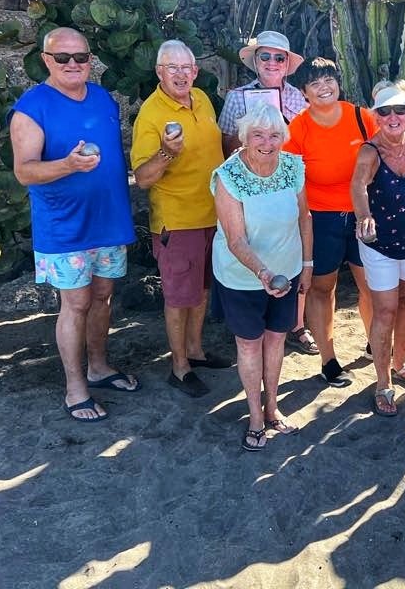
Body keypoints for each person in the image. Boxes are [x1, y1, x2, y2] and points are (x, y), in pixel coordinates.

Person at [8, 27, 138, 422]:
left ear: (90, 59)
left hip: (108, 219)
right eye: (62, 58)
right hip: (63, 226)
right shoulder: (32, 108)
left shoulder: (102, 98)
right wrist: (67, 165)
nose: (72, 65)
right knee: (76, 302)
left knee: (102, 297)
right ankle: (75, 388)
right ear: (46, 60)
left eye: (80, 57)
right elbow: (24, 172)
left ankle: (98, 367)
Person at [211, 104, 313, 451]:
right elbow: (236, 239)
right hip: (242, 276)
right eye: (258, 135)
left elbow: (305, 218)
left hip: (287, 269)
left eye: (274, 135)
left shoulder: (292, 166)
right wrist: (263, 272)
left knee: (276, 340)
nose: (267, 143)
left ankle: (273, 408)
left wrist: (308, 265)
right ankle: (255, 416)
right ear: (244, 138)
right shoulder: (228, 176)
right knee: (250, 343)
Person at [131, 40, 229, 398]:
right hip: (177, 219)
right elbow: (142, 177)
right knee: (178, 296)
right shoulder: (151, 113)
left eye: (187, 68)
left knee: (201, 289)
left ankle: (195, 351)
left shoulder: (202, 99)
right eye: (172, 68)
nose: (181, 74)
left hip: (212, 214)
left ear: (195, 71)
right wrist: (166, 153)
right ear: (159, 72)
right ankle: (179, 367)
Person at [217, 30, 315, 354]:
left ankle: (296, 326)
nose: (272, 63)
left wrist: (283, 131)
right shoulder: (237, 98)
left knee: (293, 244)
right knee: (249, 242)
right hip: (252, 188)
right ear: (255, 62)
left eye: (279, 57)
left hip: (289, 182)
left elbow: (304, 144)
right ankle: (254, 326)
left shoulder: (298, 99)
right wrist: (256, 138)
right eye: (266, 56)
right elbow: (227, 146)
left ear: (287, 64)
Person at [284, 57, 378, 387]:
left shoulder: (362, 117)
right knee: (322, 289)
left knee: (371, 285)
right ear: (304, 91)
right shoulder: (299, 127)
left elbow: (386, 154)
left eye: (328, 79)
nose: (324, 87)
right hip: (320, 218)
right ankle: (329, 360)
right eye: (314, 83)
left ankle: (376, 342)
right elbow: (289, 176)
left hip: (362, 215)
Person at [350, 80, 405, 417]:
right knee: (384, 309)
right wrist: (364, 216)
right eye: (384, 111)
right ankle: (383, 381)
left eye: (400, 109)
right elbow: (357, 185)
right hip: (381, 244)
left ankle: (401, 363)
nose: (393, 116)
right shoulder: (369, 152)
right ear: (376, 116)